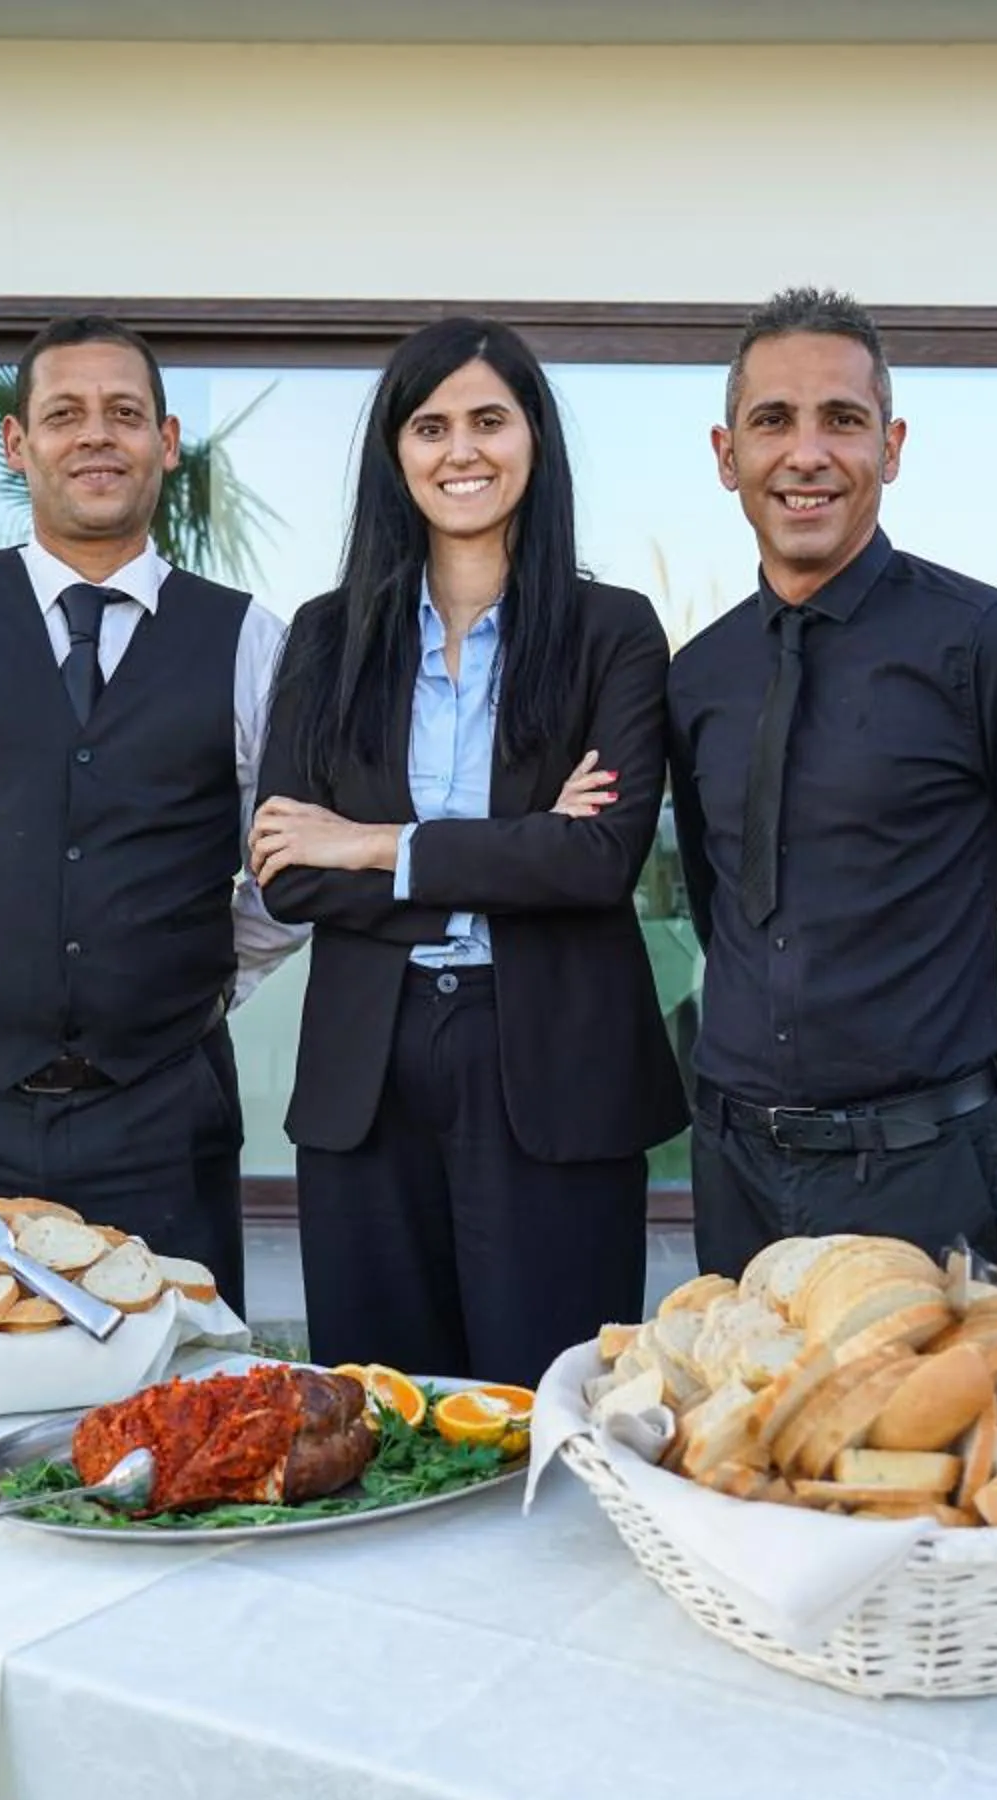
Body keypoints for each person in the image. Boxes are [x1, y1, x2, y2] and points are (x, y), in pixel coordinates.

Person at [0, 313, 301, 1309]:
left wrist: (200, 986)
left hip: (163, 1116)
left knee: (174, 1408)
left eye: (124, 413)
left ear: (166, 443)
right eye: (65, 414)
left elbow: (290, 867)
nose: (95, 435)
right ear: (17, 444)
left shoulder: (249, 638)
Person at [665, 287, 997, 1282]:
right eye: (773, 421)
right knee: (740, 1438)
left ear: (890, 447)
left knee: (917, 1439)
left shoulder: (987, 643)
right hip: (734, 1166)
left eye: (842, 420)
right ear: (727, 455)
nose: (807, 453)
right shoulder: (698, 675)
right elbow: (724, 906)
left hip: (925, 1170)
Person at [249, 317, 686, 1385]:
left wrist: (373, 845)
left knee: (548, 1397)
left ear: (534, 438)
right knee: (380, 1404)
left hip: (551, 1061)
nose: (462, 451)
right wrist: (510, 856)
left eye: (489, 420)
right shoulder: (323, 636)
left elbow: (598, 862)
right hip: (370, 1065)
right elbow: (290, 869)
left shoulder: (613, 633)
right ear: (394, 453)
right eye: (431, 425)